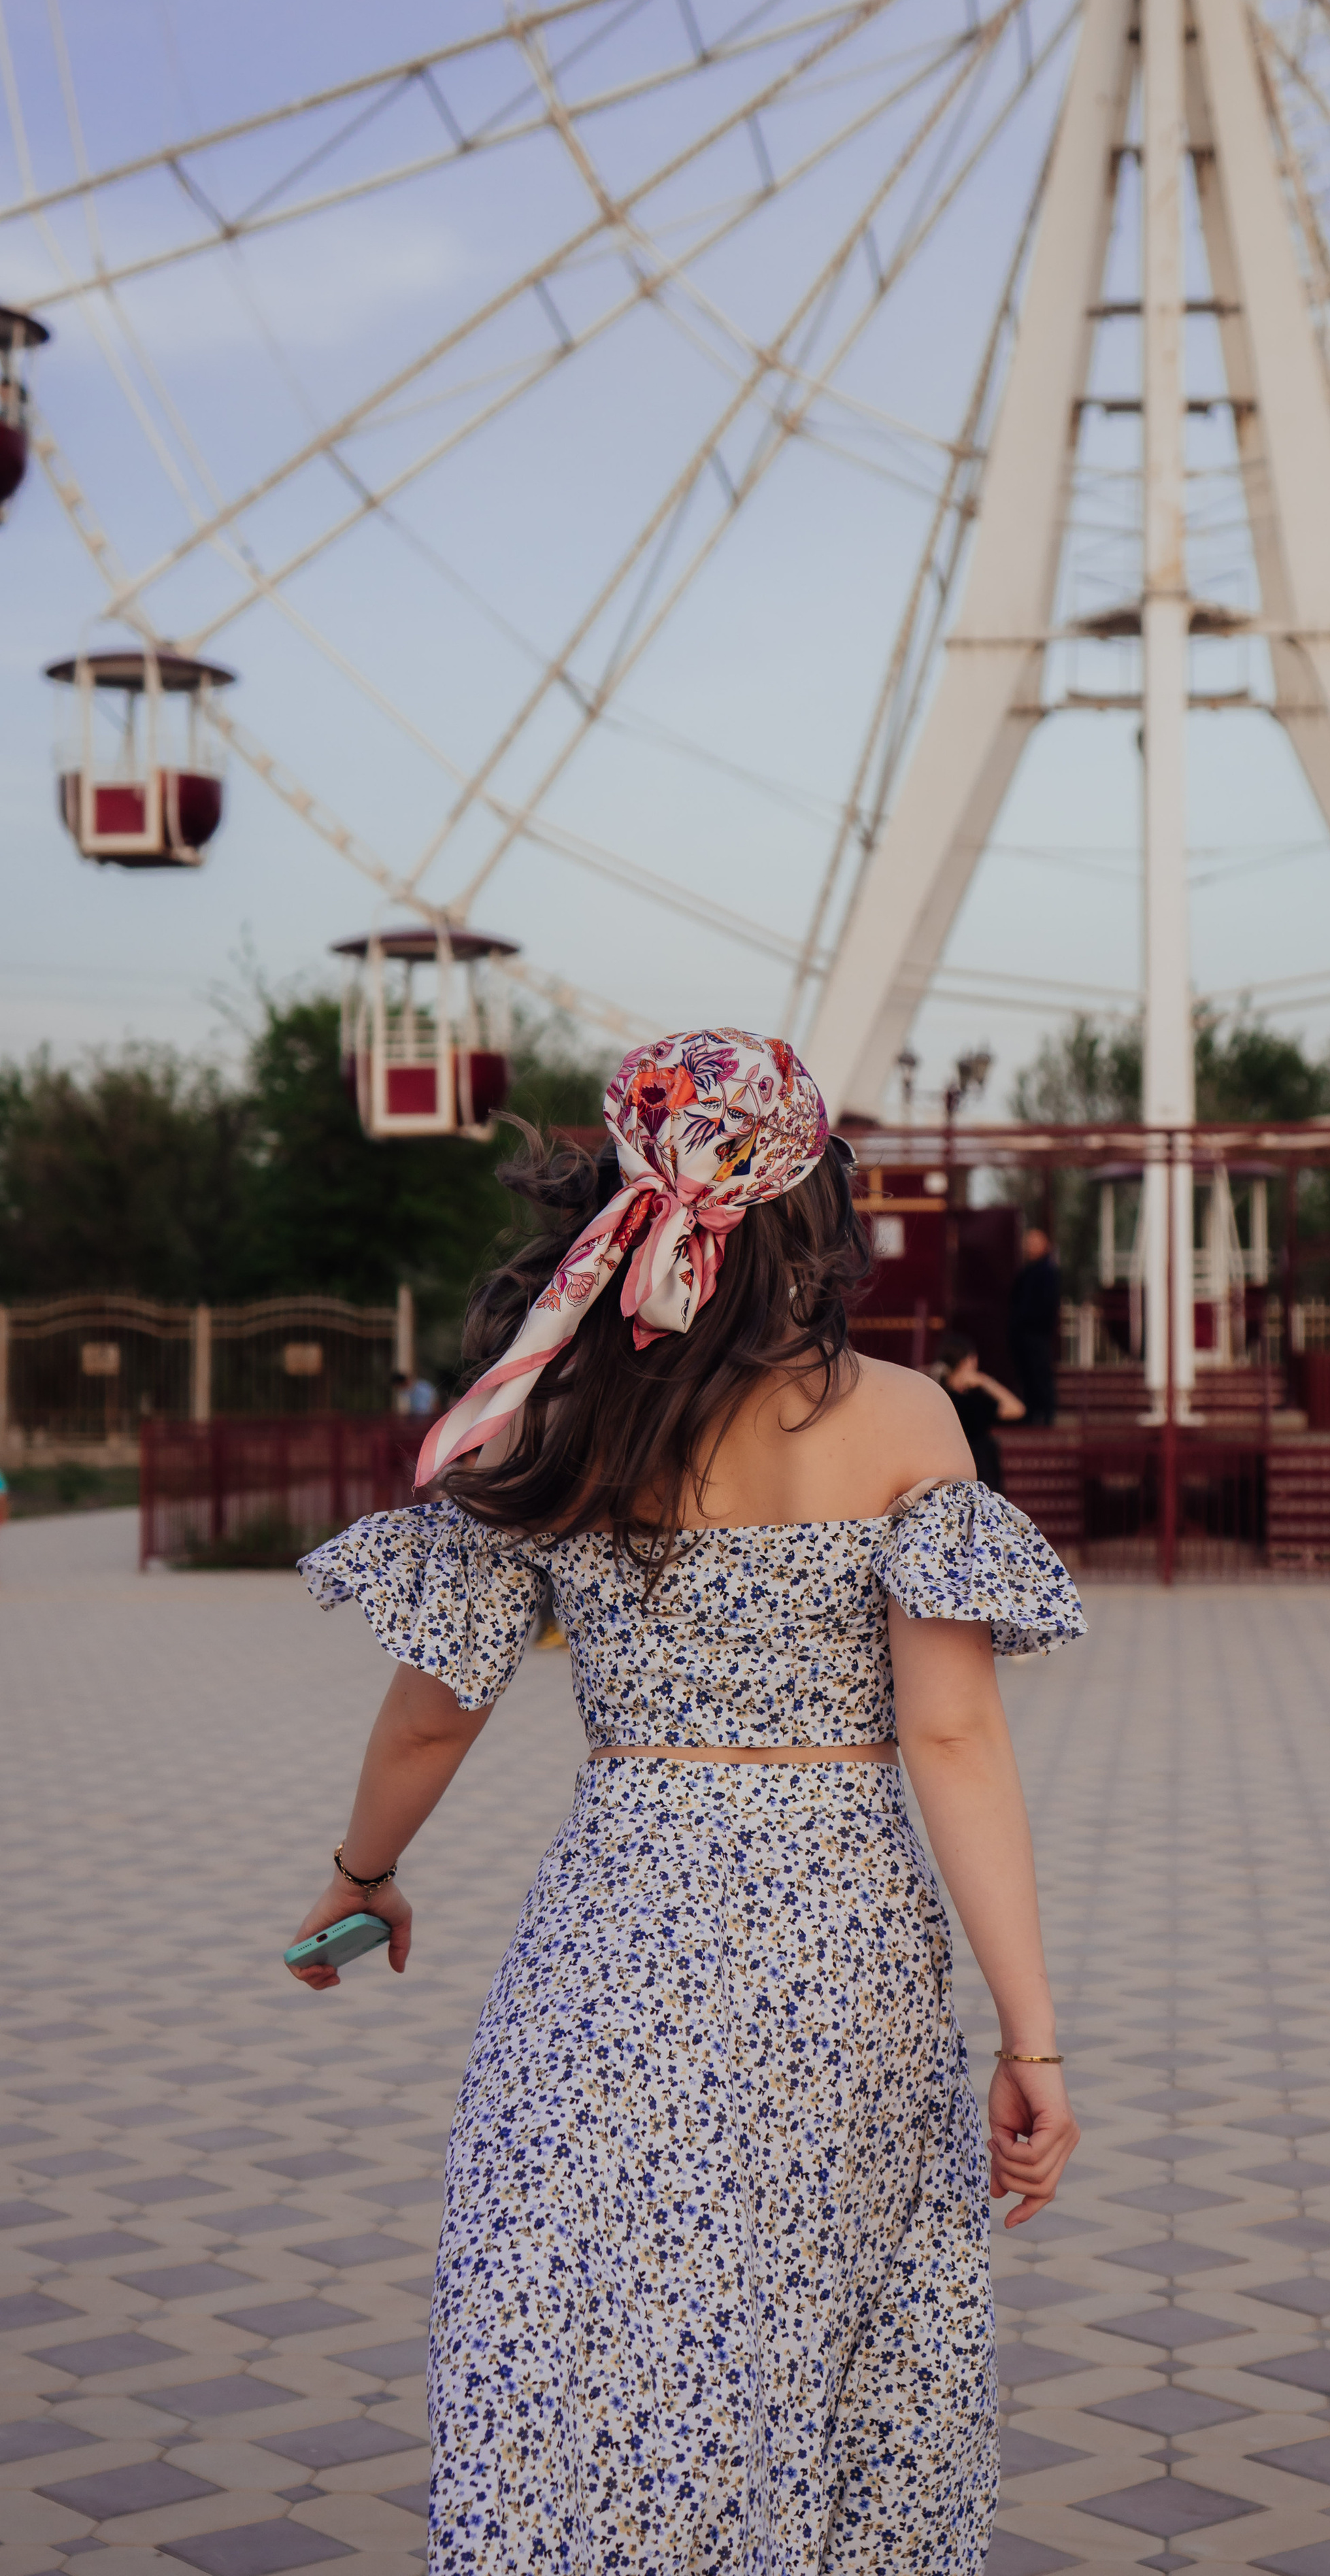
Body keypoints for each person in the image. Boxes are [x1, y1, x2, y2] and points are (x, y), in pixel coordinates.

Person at [287, 1026, 1084, 2575]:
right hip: (839, 1957)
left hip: (611, 1943)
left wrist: (360, 1874)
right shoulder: (905, 1418)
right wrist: (1030, 2037)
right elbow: (953, 1736)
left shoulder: (552, 1415)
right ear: (811, 1204)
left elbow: (433, 1717)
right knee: (815, 2335)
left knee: (589, 2327)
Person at [937, 1333, 1025, 1490]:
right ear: (967, 1362)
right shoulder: (975, 1401)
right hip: (980, 1470)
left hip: (948, 1472)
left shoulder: (938, 1396)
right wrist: (985, 1381)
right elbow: (1017, 1409)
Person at [1008, 1224, 1061, 1428]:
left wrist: (1028, 1321)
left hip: (1036, 1333)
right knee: (1027, 1375)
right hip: (1024, 1333)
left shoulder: (1047, 1271)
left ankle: (1046, 1414)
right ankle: (1032, 1413)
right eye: (1028, 1243)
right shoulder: (1028, 1270)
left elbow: (1045, 1305)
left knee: (1039, 1374)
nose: (1029, 1247)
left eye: (1034, 1243)